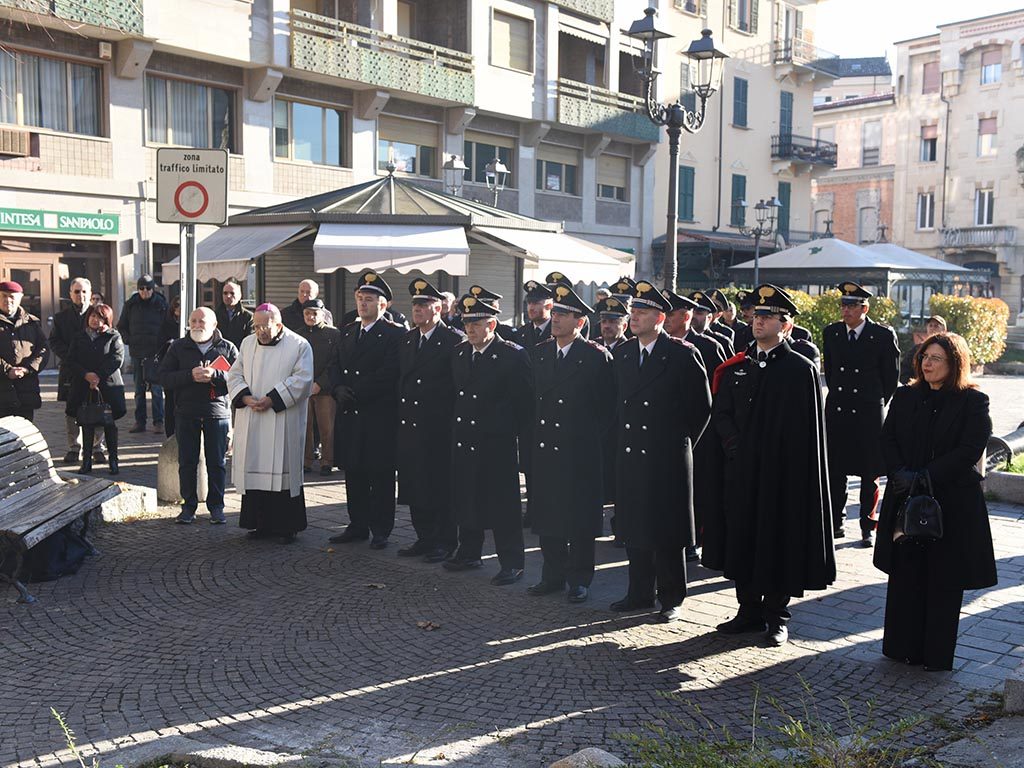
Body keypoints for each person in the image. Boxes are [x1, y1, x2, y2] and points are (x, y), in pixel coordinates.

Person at [707, 284, 835, 647]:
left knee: (778, 542)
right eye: (755, 315)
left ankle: (776, 616)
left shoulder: (799, 370)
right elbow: (723, 414)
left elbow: (806, 431)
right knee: (742, 538)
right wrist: (736, 447)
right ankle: (747, 611)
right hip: (742, 473)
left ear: (786, 325)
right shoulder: (738, 366)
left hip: (782, 477)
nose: (757, 321)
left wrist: (776, 458)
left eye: (767, 316)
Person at [873, 332, 996, 671]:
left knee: (943, 579)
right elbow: (888, 438)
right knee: (906, 574)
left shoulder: (973, 401)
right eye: (924, 357)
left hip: (951, 503)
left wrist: (926, 476)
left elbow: (971, 448)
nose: (927, 363)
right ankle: (900, 648)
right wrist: (900, 472)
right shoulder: (905, 396)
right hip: (905, 497)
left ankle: (935, 654)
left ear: (954, 363)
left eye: (936, 358)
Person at [610, 281, 711, 623]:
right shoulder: (623, 353)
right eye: (633, 311)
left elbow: (701, 409)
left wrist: (679, 444)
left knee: (667, 531)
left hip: (666, 455)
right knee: (635, 525)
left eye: (641, 312)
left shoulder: (682, 354)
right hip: (631, 453)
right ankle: (637, 593)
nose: (633, 317)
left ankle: (671, 597)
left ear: (660, 317)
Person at [525, 285, 614, 604]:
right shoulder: (541, 351)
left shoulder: (594, 355)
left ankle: (579, 578)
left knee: (578, 518)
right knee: (548, 513)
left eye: (564, 315)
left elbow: (607, 407)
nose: (556, 319)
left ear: (580, 322)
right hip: (547, 446)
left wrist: (586, 436)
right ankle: (552, 575)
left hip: (580, 449)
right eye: (556, 313)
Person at [445, 293, 532, 586]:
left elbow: (524, 405)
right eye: (467, 323)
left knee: (503, 506)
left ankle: (512, 563)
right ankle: (469, 552)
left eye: (476, 323)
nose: (470, 329)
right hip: (465, 440)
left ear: (492, 324)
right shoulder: (459, 353)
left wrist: (514, 438)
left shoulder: (511, 355)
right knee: (466, 497)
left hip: (496, 443)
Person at [328, 271, 404, 548]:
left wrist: (356, 392)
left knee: (380, 475)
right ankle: (357, 524)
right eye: (360, 298)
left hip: (377, 415)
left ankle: (381, 528)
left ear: (383, 305)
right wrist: (337, 389)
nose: (363, 304)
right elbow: (334, 365)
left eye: (369, 299)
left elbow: (389, 373)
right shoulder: (348, 331)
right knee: (354, 472)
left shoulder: (394, 334)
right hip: (350, 414)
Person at [227, 303, 313, 543]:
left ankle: (287, 526)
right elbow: (234, 374)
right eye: (257, 326)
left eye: (265, 326)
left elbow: (303, 379)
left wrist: (272, 399)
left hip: (281, 417)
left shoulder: (298, 345)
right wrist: (243, 396)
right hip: (252, 415)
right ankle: (259, 523)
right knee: (255, 468)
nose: (260, 331)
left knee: (282, 470)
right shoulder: (247, 343)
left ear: (278, 323)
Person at [823, 281, 900, 546]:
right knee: (836, 471)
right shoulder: (832, 333)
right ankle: (836, 521)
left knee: (870, 473)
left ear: (864, 307)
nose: (845, 310)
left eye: (851, 305)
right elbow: (831, 372)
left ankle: (868, 525)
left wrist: (877, 402)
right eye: (843, 305)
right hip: (839, 411)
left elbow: (891, 376)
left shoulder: (881, 335)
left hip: (868, 413)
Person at [396, 279, 463, 562]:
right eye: (415, 305)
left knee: (439, 486)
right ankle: (424, 537)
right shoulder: (409, 338)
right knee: (415, 484)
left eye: (424, 305)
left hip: (438, 426)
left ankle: (445, 541)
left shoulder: (452, 339)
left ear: (438, 308)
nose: (418, 310)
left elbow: (458, 384)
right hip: (411, 425)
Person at [662, 289, 727, 563]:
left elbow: (722, 388)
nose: (666, 320)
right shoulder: (660, 344)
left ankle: (695, 540)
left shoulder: (709, 346)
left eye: (672, 314)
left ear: (686, 317)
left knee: (699, 488)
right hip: (668, 432)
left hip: (703, 433)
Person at [159, 307, 238, 524]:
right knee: (187, 462)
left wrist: (217, 374)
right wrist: (189, 376)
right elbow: (164, 377)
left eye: (201, 321)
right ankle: (188, 506)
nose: (196, 325)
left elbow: (240, 378)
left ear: (214, 325)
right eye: (193, 321)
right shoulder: (178, 347)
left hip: (217, 412)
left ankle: (217, 507)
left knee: (217, 463)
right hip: (186, 411)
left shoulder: (228, 347)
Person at [64, 303, 125, 475]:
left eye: (99, 317)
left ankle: (113, 460)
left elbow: (117, 359)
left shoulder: (113, 336)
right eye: (92, 316)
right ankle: (86, 461)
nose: (95, 320)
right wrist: (86, 375)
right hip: (83, 386)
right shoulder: (79, 337)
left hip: (108, 387)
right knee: (87, 423)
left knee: (109, 424)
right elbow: (70, 360)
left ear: (107, 319)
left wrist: (98, 376)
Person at [50, 278, 103, 464]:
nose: (80, 295)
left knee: (97, 408)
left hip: (94, 370)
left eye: (84, 292)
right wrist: (71, 356)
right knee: (72, 410)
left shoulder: (99, 314)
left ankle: (98, 447)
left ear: (90, 293)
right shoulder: (61, 317)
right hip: (71, 370)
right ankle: (74, 447)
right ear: (70, 294)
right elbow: (54, 342)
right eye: (77, 291)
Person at [117, 275, 168, 433]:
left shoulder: (161, 304)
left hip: (156, 352)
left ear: (153, 289)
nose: (145, 291)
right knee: (139, 389)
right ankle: (140, 421)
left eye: (148, 288)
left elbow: (168, 325)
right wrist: (128, 340)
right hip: (137, 351)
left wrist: (163, 344)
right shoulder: (131, 304)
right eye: (141, 288)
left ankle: (158, 421)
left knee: (157, 389)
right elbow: (122, 325)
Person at [299, 298, 341, 475]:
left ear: (322, 314)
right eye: (307, 313)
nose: (311, 316)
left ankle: (327, 461)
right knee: (304, 426)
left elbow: (335, 362)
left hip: (325, 389)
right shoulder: (298, 335)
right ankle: (306, 461)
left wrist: (320, 383)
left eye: (314, 313)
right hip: (303, 388)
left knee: (327, 427)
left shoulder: (334, 334)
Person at [0, 281, 49, 421]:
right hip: (2, 390)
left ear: (20, 298)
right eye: (4, 296)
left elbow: (43, 349)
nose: (8, 300)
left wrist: (27, 369)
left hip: (25, 391)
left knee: (24, 435)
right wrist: (7, 370)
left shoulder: (31, 322)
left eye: (12, 297)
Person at [155, 295, 183, 437]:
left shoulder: (190, 324)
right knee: (170, 403)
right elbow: (159, 344)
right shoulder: (166, 323)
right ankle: (170, 434)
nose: (179, 309)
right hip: (170, 368)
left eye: (181, 306)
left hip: (184, 369)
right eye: (177, 306)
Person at [900, 315, 946, 384]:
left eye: (936, 326)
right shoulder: (917, 349)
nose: (932, 328)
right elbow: (904, 369)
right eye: (930, 325)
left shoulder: (949, 349)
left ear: (944, 329)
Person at [688, 291, 735, 357]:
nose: (693, 316)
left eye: (699, 313)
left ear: (709, 317)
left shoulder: (721, 341)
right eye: (692, 312)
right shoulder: (679, 337)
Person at [214, 281, 254, 350]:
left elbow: (250, 339)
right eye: (225, 293)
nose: (228, 296)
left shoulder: (248, 317)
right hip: (219, 354)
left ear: (239, 296)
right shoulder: (214, 315)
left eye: (232, 293)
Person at [516, 280, 554, 348]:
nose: (531, 308)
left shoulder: (558, 332)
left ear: (549, 306)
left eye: (536, 303)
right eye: (529, 303)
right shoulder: (521, 332)